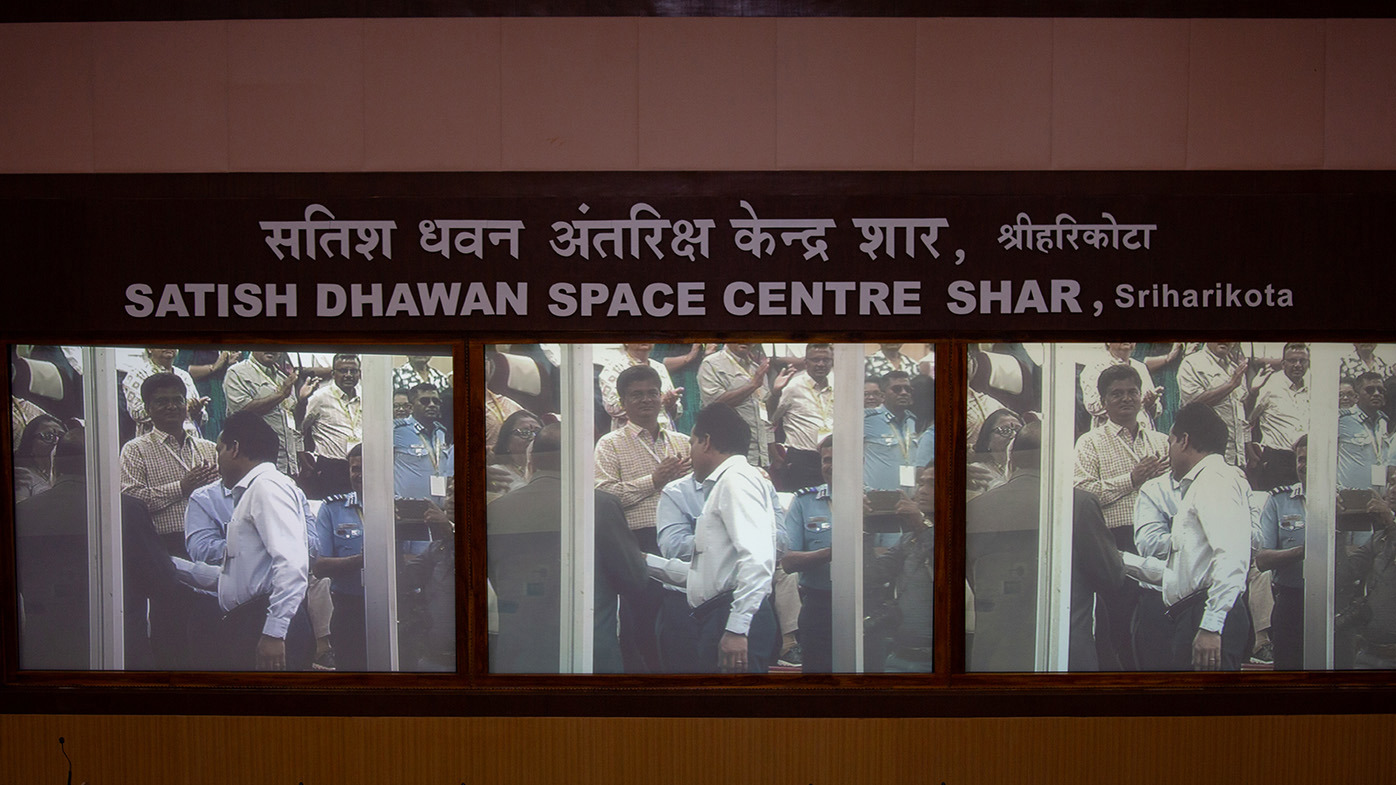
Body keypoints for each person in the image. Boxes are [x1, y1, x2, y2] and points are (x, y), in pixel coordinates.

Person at [593, 364, 691, 673]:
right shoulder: (610, 444)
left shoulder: (682, 442)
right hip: (638, 541)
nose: (646, 400)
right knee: (643, 621)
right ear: (622, 403)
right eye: (636, 395)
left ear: (662, 397)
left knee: (682, 619)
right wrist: (654, 480)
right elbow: (605, 497)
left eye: (652, 393)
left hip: (683, 539)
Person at [213, 410, 313, 671]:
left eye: (219, 450)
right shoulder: (257, 489)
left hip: (265, 624)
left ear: (234, 448)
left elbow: (292, 564)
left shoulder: (267, 487)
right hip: (251, 622)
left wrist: (274, 632)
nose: (218, 461)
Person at [685, 404, 779, 673]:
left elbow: (758, 558)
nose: (689, 452)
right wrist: (648, 563)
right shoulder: (730, 482)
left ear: (707, 442)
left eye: (692, 442)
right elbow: (719, 570)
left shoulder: (736, 481)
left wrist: (738, 628)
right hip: (721, 616)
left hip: (732, 617)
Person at [1162, 402, 1253, 671]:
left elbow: (1232, 554)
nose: (1167, 452)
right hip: (1196, 614)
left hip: (1206, 615)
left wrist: (1211, 626)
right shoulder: (1207, 481)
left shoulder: (1215, 480)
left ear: (1184, 440)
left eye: (1170, 441)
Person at [486, 423, 564, 673]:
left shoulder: (576, 496)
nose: (530, 437)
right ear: (506, 440)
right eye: (523, 432)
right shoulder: (493, 476)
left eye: (535, 431)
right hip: (515, 593)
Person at [119, 373, 220, 558]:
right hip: (162, 545)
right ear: (148, 409)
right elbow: (132, 501)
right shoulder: (135, 450)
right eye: (162, 401)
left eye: (178, 400)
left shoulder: (209, 449)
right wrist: (181, 488)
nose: (171, 407)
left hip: (211, 541)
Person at [1073, 364, 1170, 552]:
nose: (1126, 399)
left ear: (1141, 397)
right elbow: (1083, 495)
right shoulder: (1089, 442)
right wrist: (1131, 479)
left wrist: (1160, 482)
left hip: (1160, 534)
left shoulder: (1162, 441)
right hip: (1114, 540)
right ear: (1103, 402)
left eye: (1132, 392)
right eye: (1117, 394)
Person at [779, 435, 835, 672]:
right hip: (819, 605)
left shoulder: (872, 500)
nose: (831, 466)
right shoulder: (805, 501)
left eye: (839, 459)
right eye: (826, 460)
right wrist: (831, 553)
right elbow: (788, 562)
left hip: (865, 604)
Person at [311, 444, 369, 671]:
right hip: (349, 610)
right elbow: (319, 566)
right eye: (355, 468)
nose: (360, 474)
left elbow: (414, 558)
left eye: (366, 467)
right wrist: (362, 560)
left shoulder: (400, 506)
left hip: (394, 608)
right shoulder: (332, 508)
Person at [1255, 435, 1309, 670]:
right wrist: (1303, 552)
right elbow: (1262, 559)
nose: (1305, 466)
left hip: (1335, 601)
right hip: (1291, 601)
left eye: (1311, 459)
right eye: (1301, 459)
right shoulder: (1279, 500)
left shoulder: (1343, 499)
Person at [224, 350, 315, 476]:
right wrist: (281, 394)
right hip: (255, 464)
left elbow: (292, 420)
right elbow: (241, 414)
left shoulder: (283, 377)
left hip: (288, 463)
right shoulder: (237, 373)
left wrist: (302, 401)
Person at [1247, 343, 1310, 491]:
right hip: (1278, 460)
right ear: (1283, 363)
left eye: (1302, 361)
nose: (1298, 365)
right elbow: (1247, 418)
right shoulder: (1269, 384)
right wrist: (1251, 453)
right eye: (1292, 360)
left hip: (1308, 460)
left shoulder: (1314, 387)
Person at [697, 343, 772, 468]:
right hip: (728, 454)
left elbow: (765, 412)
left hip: (760, 455)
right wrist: (753, 385)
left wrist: (776, 392)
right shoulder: (711, 364)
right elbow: (714, 406)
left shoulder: (756, 368)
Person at [772, 343, 835, 490]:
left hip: (833, 459)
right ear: (806, 363)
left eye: (826, 360)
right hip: (802, 459)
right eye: (815, 360)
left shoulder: (839, 386)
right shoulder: (792, 387)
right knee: (803, 506)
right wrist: (775, 455)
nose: (821, 364)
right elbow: (770, 418)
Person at [299, 353, 362, 497]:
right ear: (333, 374)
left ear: (359, 373)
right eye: (343, 371)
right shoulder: (319, 397)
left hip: (361, 467)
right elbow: (298, 429)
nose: (348, 375)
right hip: (331, 467)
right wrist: (303, 458)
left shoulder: (366, 397)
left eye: (353, 371)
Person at [1177, 342, 1249, 467]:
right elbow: (1192, 407)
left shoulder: (1235, 368)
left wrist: (1247, 447)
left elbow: (1241, 411)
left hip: (1236, 456)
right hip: (1204, 456)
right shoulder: (1192, 363)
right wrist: (1230, 385)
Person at [122, 347, 206, 438]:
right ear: (150, 348)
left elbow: (202, 417)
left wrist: (196, 410)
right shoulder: (138, 374)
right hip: (153, 442)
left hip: (189, 440)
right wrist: (182, 407)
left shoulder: (184, 375)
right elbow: (136, 412)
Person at [597, 343, 682, 431]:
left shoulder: (659, 367)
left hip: (664, 433)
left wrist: (671, 404)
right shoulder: (614, 368)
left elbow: (677, 410)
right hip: (629, 436)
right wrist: (658, 401)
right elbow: (612, 407)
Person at [1079, 342, 1160, 430]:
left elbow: (1156, 409)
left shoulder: (1140, 367)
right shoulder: (1095, 367)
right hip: (1109, 434)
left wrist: (1150, 403)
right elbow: (1092, 405)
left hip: (1142, 432)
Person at [394, 382, 450, 505]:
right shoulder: (397, 431)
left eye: (436, 402)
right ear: (411, 407)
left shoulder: (441, 432)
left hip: (439, 509)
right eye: (425, 401)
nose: (432, 405)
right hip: (408, 511)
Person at [968, 408, 1022, 501]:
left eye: (1019, 431)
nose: (1013, 435)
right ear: (987, 441)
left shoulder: (1029, 469)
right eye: (1004, 430)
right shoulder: (977, 472)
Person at [13, 414, 64, 503]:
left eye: (62, 437)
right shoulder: (23, 476)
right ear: (30, 444)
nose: (56, 442)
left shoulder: (64, 476)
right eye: (48, 436)